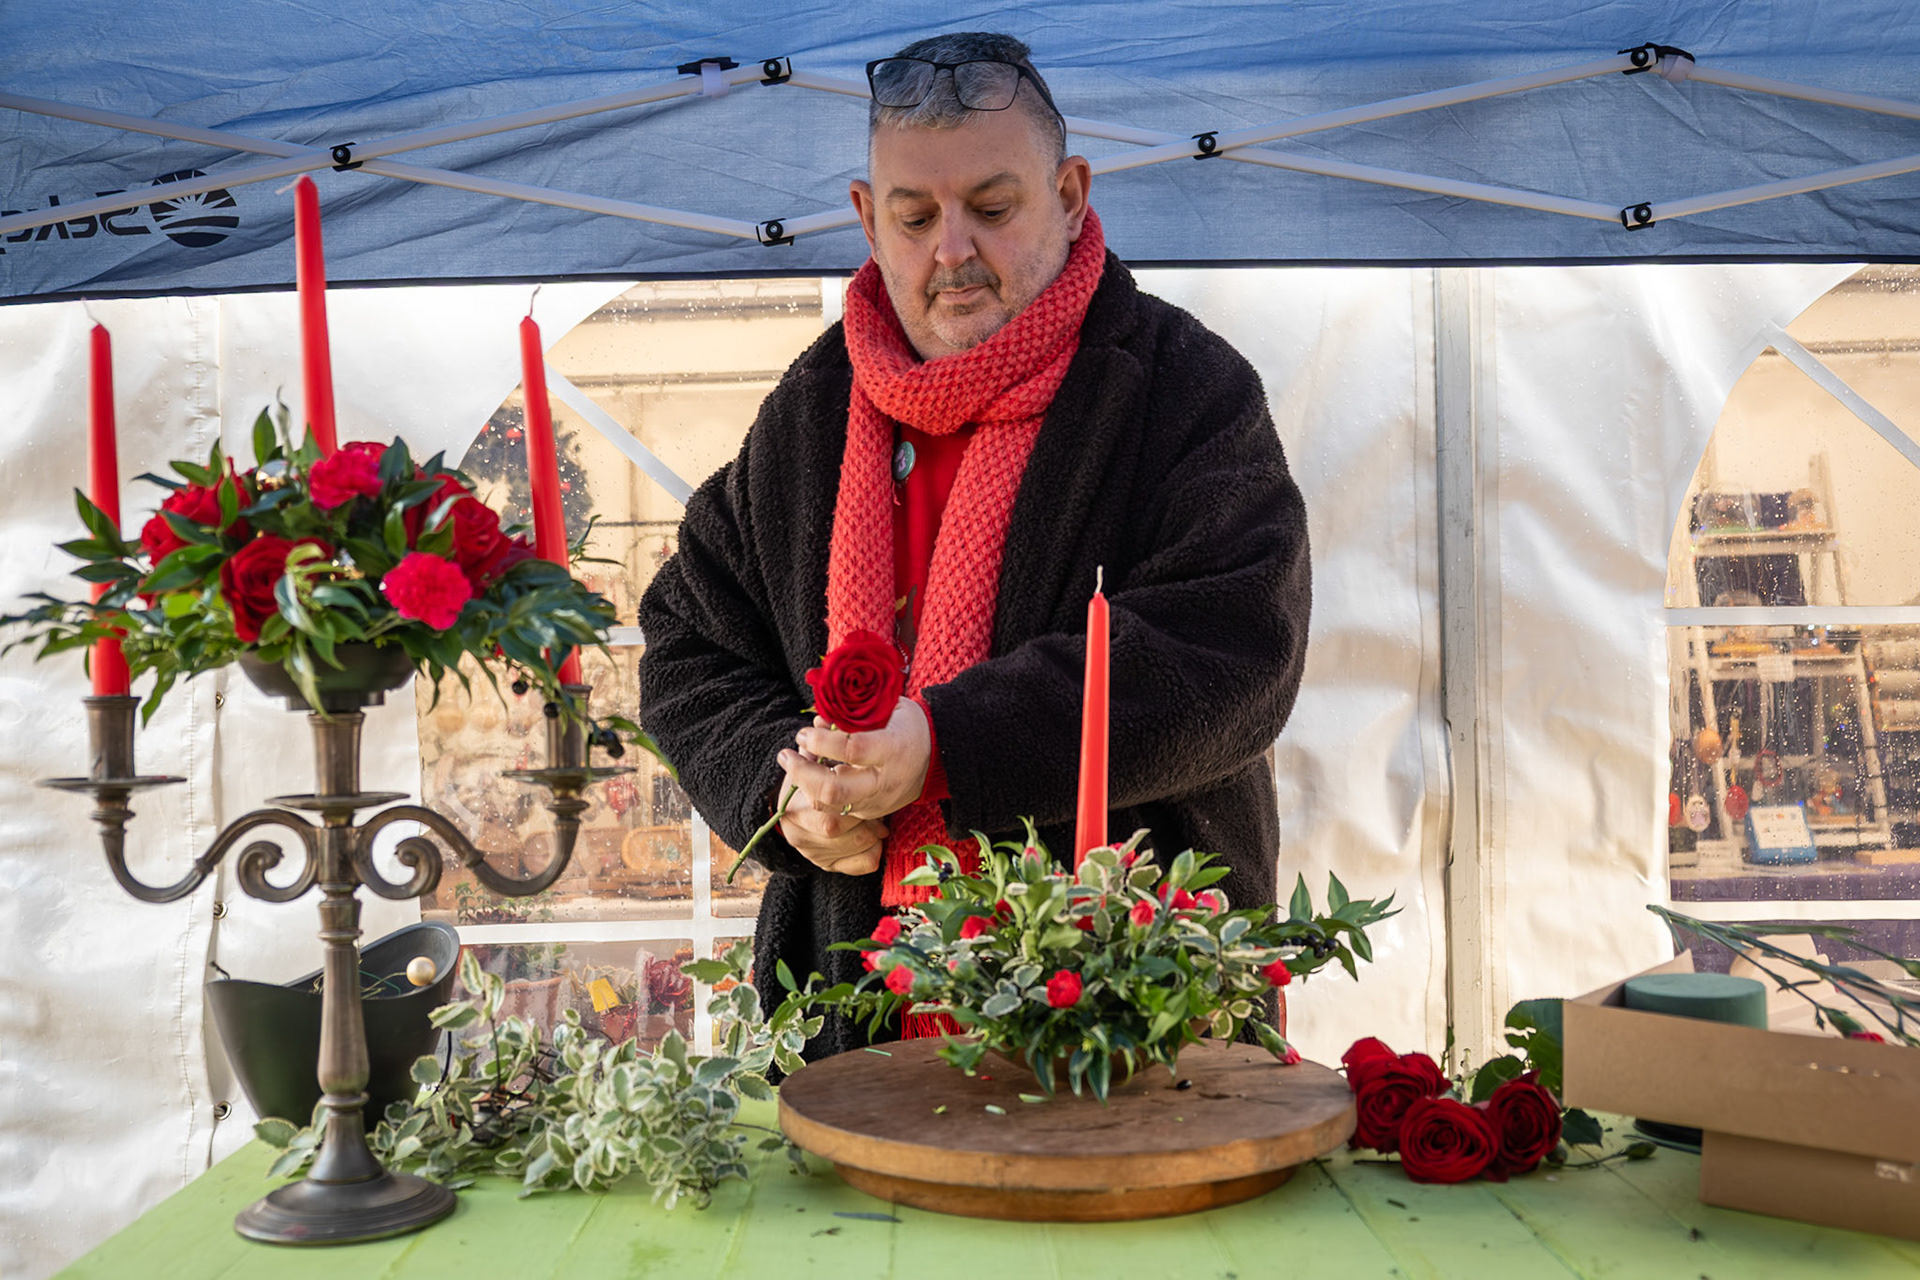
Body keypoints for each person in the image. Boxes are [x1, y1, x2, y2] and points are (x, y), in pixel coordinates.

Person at [638, 31, 1310, 1058]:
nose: (952, 249)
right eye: (914, 216)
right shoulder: (810, 414)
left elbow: (1235, 647)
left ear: (1073, 192)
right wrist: (787, 794)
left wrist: (951, 743)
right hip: (851, 1015)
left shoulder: (1186, 387)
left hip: (1136, 1007)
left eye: (993, 209)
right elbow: (691, 639)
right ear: (867, 219)